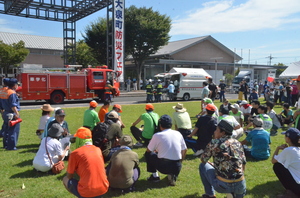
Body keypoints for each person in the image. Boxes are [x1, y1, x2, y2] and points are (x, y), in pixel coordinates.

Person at [199, 119, 246, 198]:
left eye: (217, 130)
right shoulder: (237, 142)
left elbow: (203, 160)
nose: (214, 132)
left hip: (223, 185)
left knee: (203, 166)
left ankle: (210, 194)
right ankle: (233, 194)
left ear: (223, 133)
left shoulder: (214, 143)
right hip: (240, 184)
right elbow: (243, 162)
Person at [63, 127, 109, 198]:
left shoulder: (75, 153)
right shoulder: (98, 150)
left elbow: (69, 176)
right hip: (103, 189)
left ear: (79, 139)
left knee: (65, 179)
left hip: (87, 191)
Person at [145, 115, 187, 186]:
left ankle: (155, 176)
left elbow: (148, 150)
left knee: (148, 154)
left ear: (160, 125)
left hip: (163, 165)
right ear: (171, 125)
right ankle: (172, 174)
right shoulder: (178, 133)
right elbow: (185, 149)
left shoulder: (157, 135)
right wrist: (180, 162)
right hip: (177, 165)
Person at [271, 128, 300, 197]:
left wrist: (277, 148)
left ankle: (292, 193)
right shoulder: (296, 149)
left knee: (277, 166)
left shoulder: (289, 150)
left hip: (298, 188)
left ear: (288, 139)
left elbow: (273, 161)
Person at [1, 78, 21, 150]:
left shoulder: (3, 91)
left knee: (6, 130)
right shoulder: (11, 93)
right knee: (13, 131)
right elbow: (13, 105)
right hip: (12, 113)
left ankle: (6, 145)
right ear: (14, 85)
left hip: (5, 112)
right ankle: (11, 146)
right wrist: (17, 113)